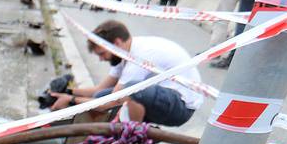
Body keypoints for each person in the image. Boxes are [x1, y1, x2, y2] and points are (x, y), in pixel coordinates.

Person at [49, 19, 203, 128]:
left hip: (182, 107)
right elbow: (98, 91)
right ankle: (140, 131)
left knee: (131, 91)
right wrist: (68, 91)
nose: (102, 59)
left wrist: (71, 100)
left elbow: (111, 102)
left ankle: (132, 141)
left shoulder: (140, 55)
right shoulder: (123, 53)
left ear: (116, 43)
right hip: (164, 97)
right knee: (100, 96)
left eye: (102, 54)